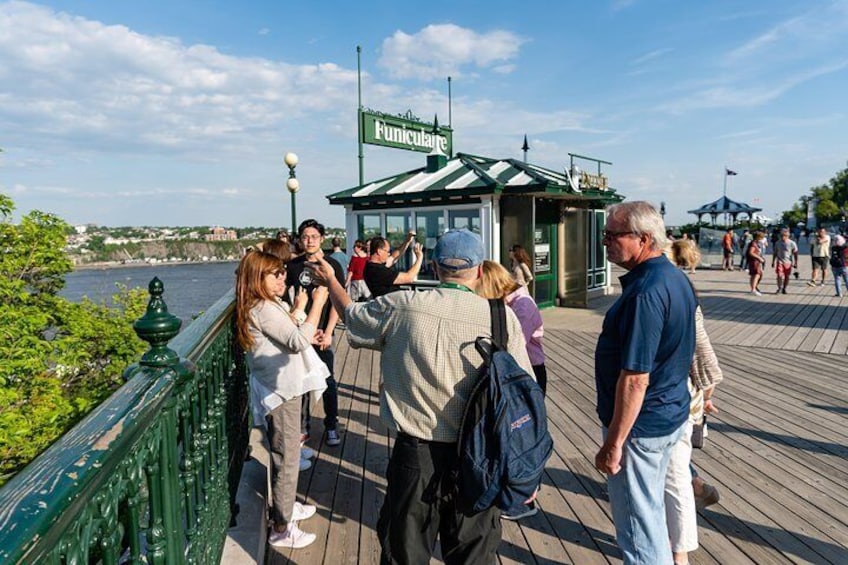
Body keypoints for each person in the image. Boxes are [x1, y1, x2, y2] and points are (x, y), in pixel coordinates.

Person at [306, 229, 534, 564]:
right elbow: (524, 390)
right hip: (481, 456)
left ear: (436, 269)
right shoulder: (501, 318)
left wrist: (330, 282)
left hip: (416, 455)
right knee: (475, 554)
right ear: (481, 270)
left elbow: (353, 317)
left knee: (405, 553)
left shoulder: (403, 307)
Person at [594, 201, 696, 565]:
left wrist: (614, 442)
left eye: (612, 235)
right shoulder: (675, 278)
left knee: (639, 527)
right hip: (669, 414)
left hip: (641, 427)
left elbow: (636, 378)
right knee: (652, 511)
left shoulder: (645, 293)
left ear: (644, 239)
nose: (604, 242)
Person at [234, 250, 328, 549]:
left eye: (281, 272)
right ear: (257, 278)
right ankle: (282, 527)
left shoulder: (263, 305)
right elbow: (297, 339)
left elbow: (287, 332)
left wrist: (299, 309)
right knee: (287, 458)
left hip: (282, 385)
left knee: (286, 453)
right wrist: (317, 304)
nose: (282, 277)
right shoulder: (262, 307)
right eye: (274, 273)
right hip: (281, 389)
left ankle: (285, 508)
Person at [664, 301, 724, 565]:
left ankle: (679, 555)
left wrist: (705, 393)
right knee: (674, 472)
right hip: (675, 402)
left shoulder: (677, 297)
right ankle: (697, 485)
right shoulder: (678, 291)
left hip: (673, 402)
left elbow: (706, 361)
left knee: (673, 477)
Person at [285, 219, 345, 447]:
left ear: (322, 238)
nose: (309, 241)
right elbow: (286, 299)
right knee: (300, 381)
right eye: (305, 237)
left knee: (327, 379)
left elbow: (337, 302)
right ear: (300, 239)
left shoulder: (331, 266)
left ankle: (331, 424)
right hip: (301, 332)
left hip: (321, 332)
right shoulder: (293, 266)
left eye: (314, 236)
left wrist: (328, 332)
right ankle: (303, 427)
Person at [477, 260, 547, 395]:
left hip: (528, 370)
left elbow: (514, 344)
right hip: (514, 368)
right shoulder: (508, 302)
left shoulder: (522, 305)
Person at [771, 228, 798, 294]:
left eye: (785, 236)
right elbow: (775, 252)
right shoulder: (778, 243)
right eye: (782, 236)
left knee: (787, 276)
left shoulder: (792, 243)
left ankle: (784, 288)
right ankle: (779, 288)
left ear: (788, 236)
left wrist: (796, 262)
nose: (783, 237)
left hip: (788, 262)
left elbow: (795, 253)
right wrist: (773, 261)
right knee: (779, 275)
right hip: (779, 261)